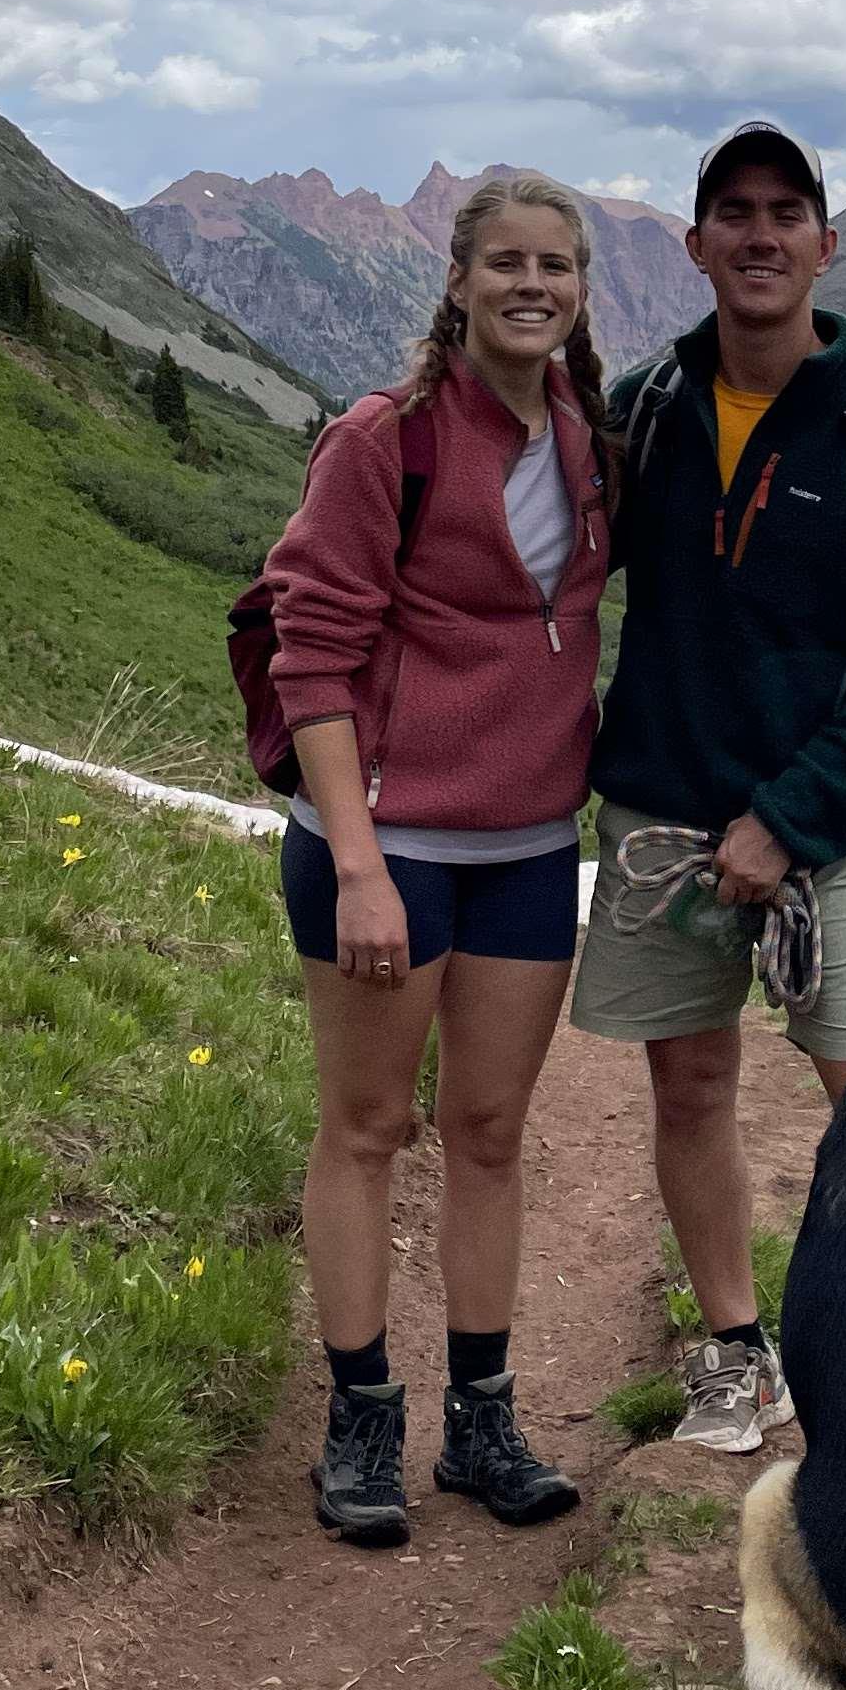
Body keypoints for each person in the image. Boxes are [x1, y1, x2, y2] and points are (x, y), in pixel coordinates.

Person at [569, 118, 846, 1452]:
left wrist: (787, 821)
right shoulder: (646, 413)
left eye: (785, 212)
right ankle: (737, 1353)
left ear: (825, 246)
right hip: (664, 827)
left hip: (834, 843)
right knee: (689, 1090)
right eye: (732, 213)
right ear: (696, 248)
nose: (758, 234)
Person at [254, 171, 612, 1546]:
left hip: (531, 844)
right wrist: (355, 862)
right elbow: (313, 653)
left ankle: (480, 1419)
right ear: (458, 281)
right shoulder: (380, 440)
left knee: (489, 1133)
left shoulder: (590, 438)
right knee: (366, 1129)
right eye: (507, 262)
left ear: (581, 293)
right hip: (386, 843)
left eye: (558, 267)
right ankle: (359, 1418)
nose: (533, 285)